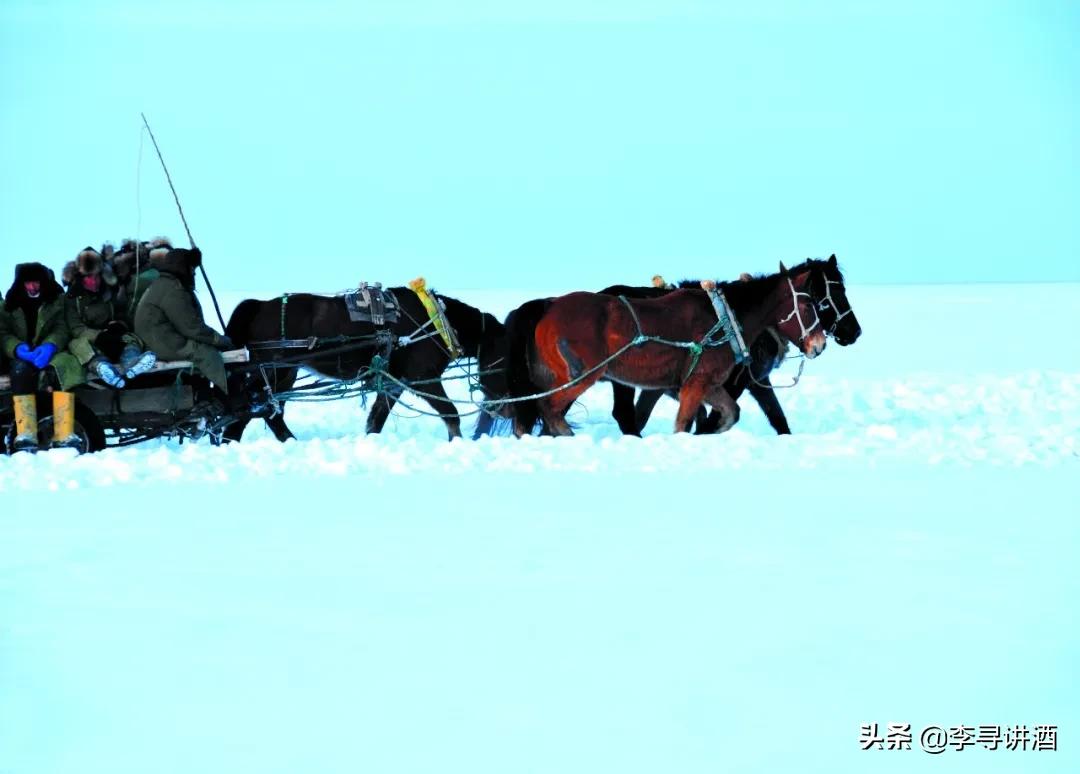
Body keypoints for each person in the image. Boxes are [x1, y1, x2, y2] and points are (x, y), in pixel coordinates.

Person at [0, 262, 85, 451]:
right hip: (23, 356)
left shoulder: (56, 300)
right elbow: (3, 333)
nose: (32, 287)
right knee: (19, 371)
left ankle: (64, 433)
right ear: (21, 283)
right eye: (28, 283)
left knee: (62, 369)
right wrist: (17, 348)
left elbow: (63, 327)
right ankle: (26, 432)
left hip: (52, 353)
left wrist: (50, 345)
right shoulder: (10, 304)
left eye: (36, 283)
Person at [134, 244, 234, 394]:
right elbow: (192, 328)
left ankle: (204, 391)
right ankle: (226, 394)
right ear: (182, 267)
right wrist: (220, 340)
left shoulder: (165, 284)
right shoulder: (173, 290)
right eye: (191, 268)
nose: (194, 272)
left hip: (158, 339)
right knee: (206, 354)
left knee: (204, 348)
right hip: (163, 342)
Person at [63, 246, 157, 388]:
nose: (93, 281)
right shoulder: (71, 299)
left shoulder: (109, 293)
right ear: (81, 278)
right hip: (90, 341)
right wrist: (99, 336)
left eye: (96, 276)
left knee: (130, 338)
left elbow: (121, 312)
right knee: (78, 346)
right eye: (89, 277)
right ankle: (102, 368)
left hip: (114, 337)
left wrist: (118, 325)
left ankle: (133, 363)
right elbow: (76, 328)